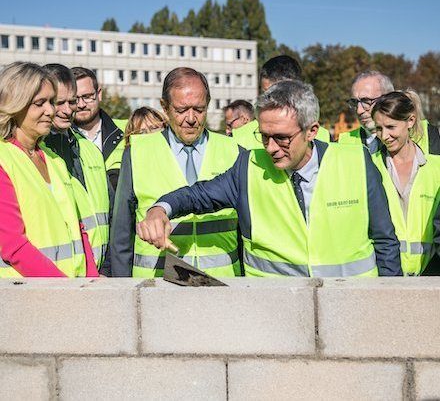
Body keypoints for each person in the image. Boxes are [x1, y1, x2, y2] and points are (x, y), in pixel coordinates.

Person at [138, 80, 402, 277]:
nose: (271, 148)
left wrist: (386, 302)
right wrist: (160, 209)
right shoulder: (249, 167)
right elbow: (196, 195)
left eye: (282, 138)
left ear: (312, 131)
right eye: (265, 136)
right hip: (275, 314)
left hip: (349, 310)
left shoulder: (356, 162)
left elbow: (385, 242)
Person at [110, 67, 240, 277]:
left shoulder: (233, 150)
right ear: (165, 107)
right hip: (156, 285)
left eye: (199, 109)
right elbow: (121, 235)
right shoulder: (137, 152)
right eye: (181, 110)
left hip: (222, 283)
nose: (191, 118)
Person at [0, 62, 98, 277]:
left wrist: (92, 280)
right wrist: (64, 288)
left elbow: (78, 229)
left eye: (51, 102)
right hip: (29, 296)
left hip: (69, 291)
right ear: (16, 105)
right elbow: (13, 246)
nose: (51, 110)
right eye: (40, 103)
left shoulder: (54, 160)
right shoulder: (3, 159)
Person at [42, 64, 112, 273]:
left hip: (96, 274)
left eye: (71, 101)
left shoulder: (89, 149)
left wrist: (106, 269)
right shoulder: (35, 154)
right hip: (53, 278)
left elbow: (110, 216)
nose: (67, 109)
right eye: (58, 102)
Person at [371, 90, 440, 276]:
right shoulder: (370, 167)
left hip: (430, 275)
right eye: (378, 129)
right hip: (385, 277)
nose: (384, 136)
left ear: (410, 121)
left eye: (391, 127)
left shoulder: (436, 169)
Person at [232, 55, 330, 149]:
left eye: (280, 95)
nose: (272, 101)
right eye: (267, 95)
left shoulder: (323, 137)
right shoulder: (240, 138)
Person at [72, 67, 127, 190]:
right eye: (74, 99)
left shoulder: (128, 131)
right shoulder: (62, 140)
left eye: (87, 96)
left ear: (99, 94)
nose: (81, 104)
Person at [340, 71, 394, 153]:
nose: (359, 111)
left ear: (389, 99)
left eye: (366, 101)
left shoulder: (416, 134)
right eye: (354, 102)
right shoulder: (342, 143)